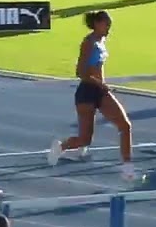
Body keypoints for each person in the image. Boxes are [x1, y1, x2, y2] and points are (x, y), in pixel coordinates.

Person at [48, 10, 139, 184]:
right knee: (85, 139)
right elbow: (80, 72)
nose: (109, 28)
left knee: (125, 125)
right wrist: (100, 83)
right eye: (106, 24)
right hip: (87, 92)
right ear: (97, 24)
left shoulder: (101, 41)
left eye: (110, 25)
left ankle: (127, 170)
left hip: (100, 91)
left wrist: (102, 85)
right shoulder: (88, 43)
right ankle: (61, 146)